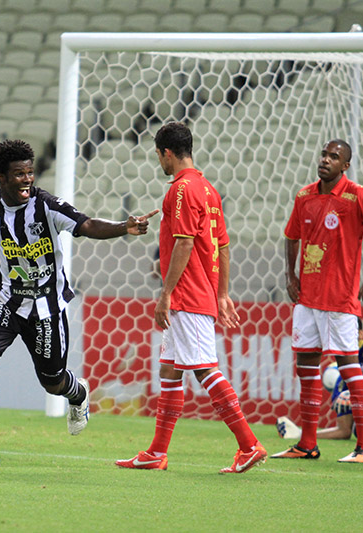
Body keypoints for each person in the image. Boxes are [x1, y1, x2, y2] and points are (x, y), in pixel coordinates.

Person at [0, 125, 158, 471]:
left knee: (52, 382)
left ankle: (77, 393)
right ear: (0, 177)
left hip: (46, 307)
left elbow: (87, 225)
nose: (27, 180)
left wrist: (123, 227)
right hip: (5, 299)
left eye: (30, 173)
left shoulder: (46, 205)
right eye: (18, 174)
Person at [116, 121, 267, 474]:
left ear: (166, 153)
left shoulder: (182, 190)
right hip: (201, 293)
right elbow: (223, 246)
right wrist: (224, 293)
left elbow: (185, 243)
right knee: (170, 368)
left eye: (159, 156)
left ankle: (249, 445)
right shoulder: (209, 190)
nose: (160, 162)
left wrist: (165, 293)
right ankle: (156, 452)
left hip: (188, 295)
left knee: (204, 369)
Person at [272, 139, 363, 464]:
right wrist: (290, 275)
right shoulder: (305, 195)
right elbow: (291, 235)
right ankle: (307, 445)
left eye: (334, 157)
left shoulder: (357, 195)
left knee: (349, 367)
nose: (325, 160)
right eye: (324, 154)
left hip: (340, 300)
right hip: (307, 299)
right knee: (307, 367)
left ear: (345, 165)